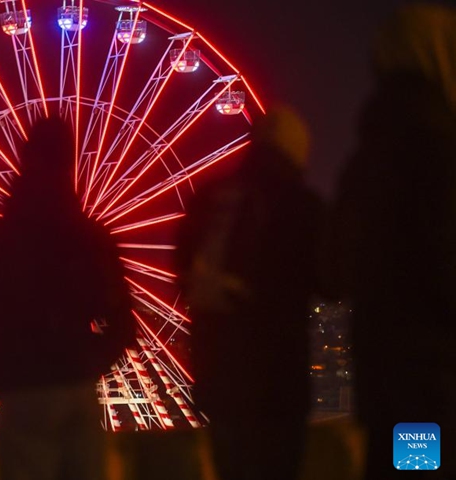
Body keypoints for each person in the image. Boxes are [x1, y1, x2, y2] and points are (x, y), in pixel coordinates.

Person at [0, 117, 136, 480]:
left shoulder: (1, 239)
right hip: (76, 382)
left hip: (23, 386)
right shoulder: (88, 236)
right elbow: (120, 316)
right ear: (69, 165)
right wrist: (91, 357)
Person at [331, 4, 455, 479]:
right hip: (433, 378)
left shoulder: (363, 161)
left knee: (403, 468)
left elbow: (334, 267)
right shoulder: (437, 148)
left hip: (385, 377)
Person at [174, 104, 323, 480]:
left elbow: (183, 271)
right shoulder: (298, 203)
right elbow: (333, 279)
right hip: (277, 379)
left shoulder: (208, 199)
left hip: (219, 376)